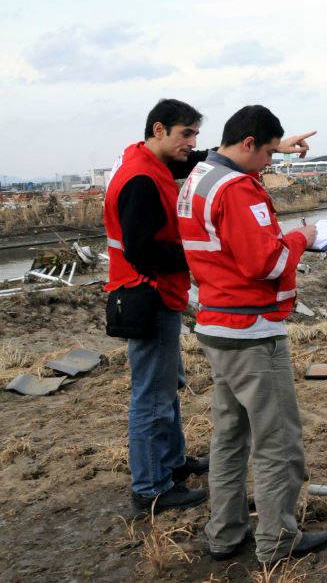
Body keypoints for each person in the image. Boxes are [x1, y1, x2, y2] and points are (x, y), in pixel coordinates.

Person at [177, 105, 327, 564]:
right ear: (248, 144)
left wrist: (274, 146)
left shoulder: (200, 177)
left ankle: (224, 533)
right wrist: (302, 236)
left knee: (229, 438)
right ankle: (277, 542)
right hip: (251, 333)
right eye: (267, 154)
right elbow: (266, 263)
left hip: (216, 326)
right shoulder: (238, 191)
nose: (270, 163)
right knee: (277, 442)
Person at [104, 99, 209, 512]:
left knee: (166, 387)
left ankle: (173, 463)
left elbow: (198, 161)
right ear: (159, 129)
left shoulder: (150, 162)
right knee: (151, 396)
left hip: (156, 293)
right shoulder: (141, 180)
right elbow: (142, 251)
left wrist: (272, 148)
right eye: (186, 134)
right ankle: (151, 488)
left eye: (196, 134)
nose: (193, 143)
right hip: (147, 295)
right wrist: (199, 255)